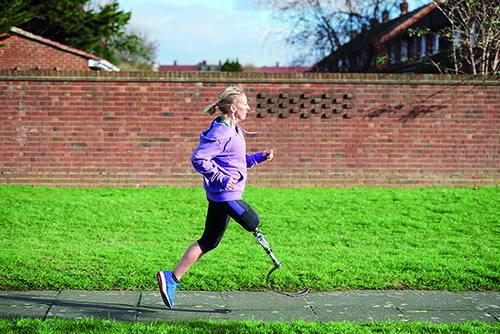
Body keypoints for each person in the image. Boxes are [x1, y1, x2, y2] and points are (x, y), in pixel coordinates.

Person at [156, 85, 274, 308]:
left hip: (222, 196)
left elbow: (236, 160)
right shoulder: (221, 132)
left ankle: (171, 279)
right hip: (225, 195)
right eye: (244, 104)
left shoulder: (234, 129)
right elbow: (199, 159)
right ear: (232, 108)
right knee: (253, 221)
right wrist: (220, 178)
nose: (248, 108)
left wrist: (259, 157)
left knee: (209, 241)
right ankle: (275, 260)